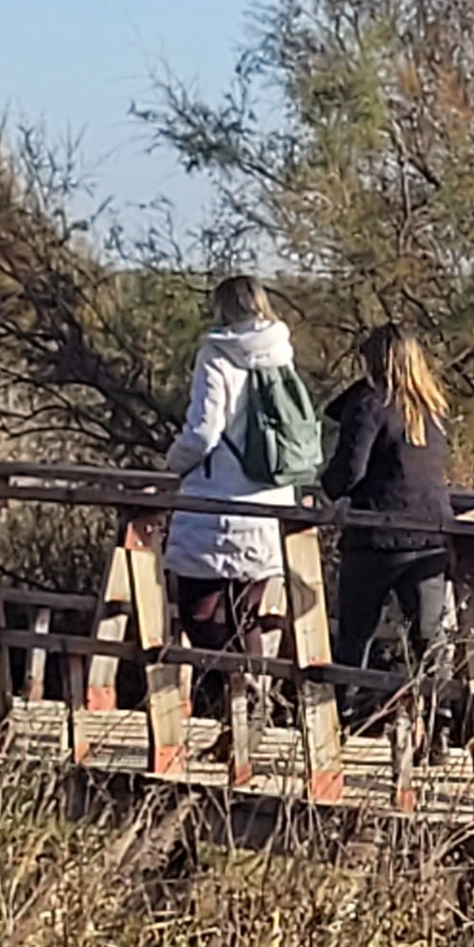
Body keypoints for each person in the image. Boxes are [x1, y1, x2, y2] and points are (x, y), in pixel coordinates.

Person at [162, 274, 310, 712]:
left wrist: (171, 467)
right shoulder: (280, 354)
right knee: (245, 613)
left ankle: (240, 697)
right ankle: (245, 716)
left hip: (217, 504)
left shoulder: (216, 354)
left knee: (198, 611)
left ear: (222, 307)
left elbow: (202, 432)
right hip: (271, 500)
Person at [318, 323, 459, 694]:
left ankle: (343, 717)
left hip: (377, 535)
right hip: (432, 536)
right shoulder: (432, 409)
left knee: (355, 636)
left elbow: (348, 471)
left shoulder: (369, 404)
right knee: (429, 641)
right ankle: (437, 724)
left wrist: (327, 489)